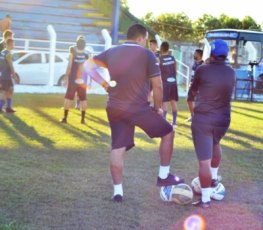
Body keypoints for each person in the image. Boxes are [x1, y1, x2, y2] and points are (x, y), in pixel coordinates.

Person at [82, 23, 184, 202]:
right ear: (141, 38)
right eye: (145, 39)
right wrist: (158, 107)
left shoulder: (112, 51)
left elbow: (87, 67)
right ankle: (163, 175)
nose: (145, 42)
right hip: (138, 108)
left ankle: (117, 192)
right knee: (168, 132)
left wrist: (105, 85)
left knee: (117, 147)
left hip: (114, 108)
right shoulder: (147, 54)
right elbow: (158, 85)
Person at [189, 39, 235, 208]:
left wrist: (193, 114)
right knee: (215, 142)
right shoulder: (231, 72)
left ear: (211, 53)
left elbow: (191, 94)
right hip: (223, 120)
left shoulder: (202, 69)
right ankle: (214, 178)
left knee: (203, 162)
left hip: (204, 119)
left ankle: (206, 199)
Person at [60, 35, 89, 124]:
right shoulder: (87, 53)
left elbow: (69, 66)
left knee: (68, 98)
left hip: (73, 79)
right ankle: (83, 120)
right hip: (83, 80)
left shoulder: (73, 51)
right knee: (83, 99)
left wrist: (65, 77)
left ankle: (65, 118)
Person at [159, 41, 178, 128]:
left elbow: (158, 73)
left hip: (165, 83)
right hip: (173, 82)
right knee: (173, 102)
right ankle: (174, 123)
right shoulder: (173, 58)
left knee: (164, 103)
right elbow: (176, 70)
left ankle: (163, 122)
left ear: (161, 48)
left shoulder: (160, 59)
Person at [0, 38, 19, 113]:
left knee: (3, 91)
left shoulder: (2, 52)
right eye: (12, 44)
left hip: (1, 76)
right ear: (9, 44)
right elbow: (11, 66)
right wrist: (15, 76)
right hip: (6, 76)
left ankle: (3, 107)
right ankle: (8, 107)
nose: (13, 45)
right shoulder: (8, 54)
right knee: (9, 91)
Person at [186, 49, 204, 122]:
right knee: (189, 100)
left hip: (199, 86)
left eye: (195, 53)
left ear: (199, 55)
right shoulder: (195, 63)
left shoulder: (203, 64)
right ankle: (193, 116)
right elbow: (193, 75)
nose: (194, 55)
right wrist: (190, 83)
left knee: (198, 102)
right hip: (192, 85)